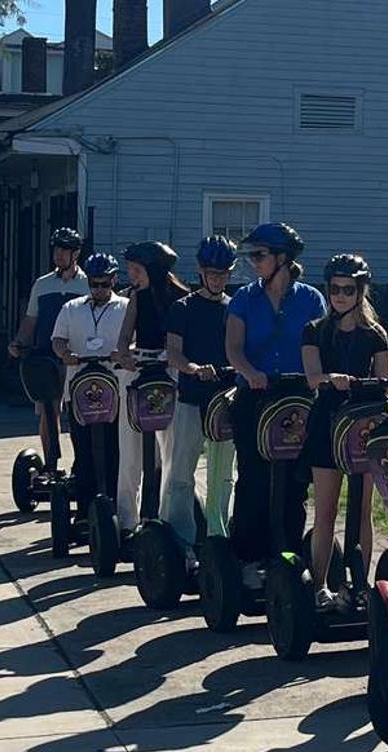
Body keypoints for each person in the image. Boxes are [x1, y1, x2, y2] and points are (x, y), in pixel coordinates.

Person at [224, 222, 325, 579]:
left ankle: (288, 554)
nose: (253, 262)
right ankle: (249, 557)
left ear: (282, 259)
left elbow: (319, 344)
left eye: (259, 255)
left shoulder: (311, 298)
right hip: (255, 396)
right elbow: (233, 349)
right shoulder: (244, 298)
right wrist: (250, 372)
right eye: (251, 255)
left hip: (297, 398)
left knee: (295, 480)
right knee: (253, 477)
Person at [301, 254, 388, 610]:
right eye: (334, 289)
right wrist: (330, 379)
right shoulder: (315, 330)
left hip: (363, 425)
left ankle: (360, 584)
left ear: (360, 291)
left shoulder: (375, 334)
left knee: (362, 509)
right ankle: (320, 588)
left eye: (347, 289)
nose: (340, 295)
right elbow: (312, 377)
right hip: (327, 424)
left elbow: (386, 379)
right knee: (325, 511)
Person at [160, 237, 241, 558]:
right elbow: (173, 353)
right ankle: (181, 542)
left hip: (225, 402)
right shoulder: (183, 308)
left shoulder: (235, 308)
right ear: (200, 271)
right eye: (211, 272)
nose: (217, 279)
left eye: (222, 273)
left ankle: (218, 536)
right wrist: (193, 369)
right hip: (191, 399)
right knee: (182, 471)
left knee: (223, 474)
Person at [51, 253, 134, 527]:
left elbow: (136, 342)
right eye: (94, 284)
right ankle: (86, 511)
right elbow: (58, 340)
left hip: (117, 389)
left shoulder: (126, 307)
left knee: (115, 450)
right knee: (84, 450)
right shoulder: (71, 307)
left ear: (114, 279)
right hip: (80, 390)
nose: (99, 289)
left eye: (104, 283)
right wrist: (65, 354)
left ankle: (115, 508)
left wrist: (122, 353)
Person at [118, 241, 190, 533]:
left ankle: (167, 515)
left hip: (170, 371)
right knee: (130, 446)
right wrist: (124, 354)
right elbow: (124, 337)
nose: (132, 276)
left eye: (136, 270)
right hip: (141, 368)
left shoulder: (182, 298)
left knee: (172, 448)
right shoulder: (137, 297)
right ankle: (126, 519)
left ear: (151, 269)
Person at [11, 228, 88, 479]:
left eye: (64, 250)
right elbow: (31, 320)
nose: (59, 255)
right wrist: (19, 342)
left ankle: (83, 465)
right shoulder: (42, 284)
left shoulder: (88, 284)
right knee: (48, 410)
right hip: (46, 356)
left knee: (82, 411)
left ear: (75, 253)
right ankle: (51, 464)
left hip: (78, 357)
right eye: (56, 249)